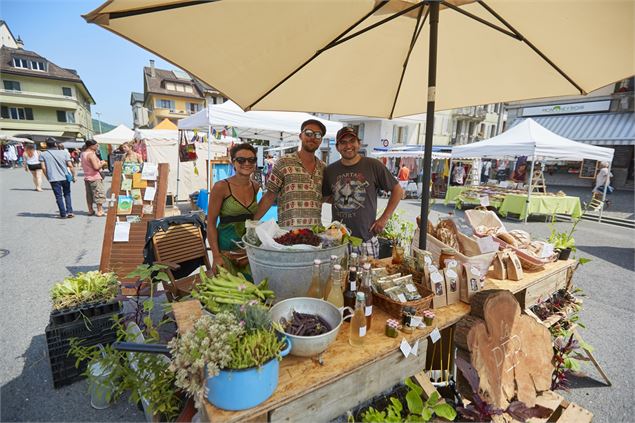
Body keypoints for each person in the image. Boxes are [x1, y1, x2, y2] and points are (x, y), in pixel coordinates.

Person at [322, 127, 404, 258]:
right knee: (337, 277)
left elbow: (398, 190)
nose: (348, 145)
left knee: (367, 277)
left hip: (366, 239)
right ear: (337, 147)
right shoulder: (330, 170)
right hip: (338, 240)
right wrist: (342, 199)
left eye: (352, 141)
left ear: (358, 143)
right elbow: (326, 196)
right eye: (343, 142)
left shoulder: (373, 165)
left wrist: (383, 219)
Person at [254, 119, 327, 227]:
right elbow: (269, 196)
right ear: (300, 136)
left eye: (318, 135)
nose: (312, 137)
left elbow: (324, 197)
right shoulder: (284, 162)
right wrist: (251, 223)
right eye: (308, 133)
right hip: (288, 236)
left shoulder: (323, 168)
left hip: (316, 235)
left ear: (321, 140)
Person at [208, 143, 260, 273]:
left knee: (252, 288)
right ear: (233, 162)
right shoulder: (221, 187)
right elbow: (211, 223)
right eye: (241, 160)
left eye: (251, 159)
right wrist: (216, 256)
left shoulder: (255, 186)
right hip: (226, 249)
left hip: (248, 249)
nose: (247, 163)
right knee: (230, 289)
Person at [40, 137, 75, 218]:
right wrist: (74, 175)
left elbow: (43, 167)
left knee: (58, 196)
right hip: (65, 177)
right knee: (67, 194)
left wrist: (47, 177)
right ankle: (70, 212)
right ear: (55, 144)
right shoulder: (64, 153)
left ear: (46, 145)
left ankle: (63, 214)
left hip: (53, 178)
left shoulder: (43, 154)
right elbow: (70, 165)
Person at [81, 140, 108, 216]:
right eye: (96, 145)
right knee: (98, 193)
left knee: (89, 195)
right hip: (95, 177)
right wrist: (102, 163)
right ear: (91, 146)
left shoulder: (83, 154)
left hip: (87, 176)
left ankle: (90, 210)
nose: (97, 147)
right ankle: (100, 211)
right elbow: (96, 167)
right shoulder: (91, 155)